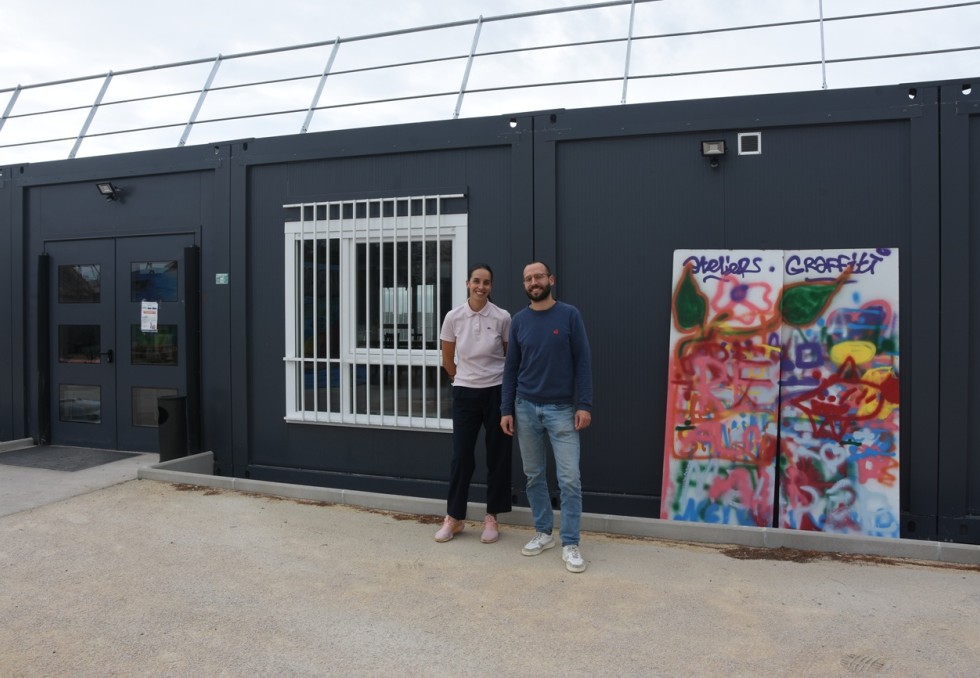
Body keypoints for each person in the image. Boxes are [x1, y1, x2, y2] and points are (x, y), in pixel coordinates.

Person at [500, 261, 593, 573]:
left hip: (562, 410)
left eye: (538, 276)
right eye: (528, 278)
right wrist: (506, 409)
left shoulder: (569, 315)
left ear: (550, 279)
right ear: (524, 285)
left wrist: (584, 404)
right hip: (525, 407)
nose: (533, 282)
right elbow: (511, 368)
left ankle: (570, 542)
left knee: (569, 479)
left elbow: (583, 362)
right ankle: (543, 533)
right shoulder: (519, 321)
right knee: (534, 475)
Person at [434, 263, 513, 544]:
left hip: (496, 393)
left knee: (498, 456)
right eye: (477, 281)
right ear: (468, 283)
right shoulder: (454, 317)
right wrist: (460, 379)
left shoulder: (503, 317)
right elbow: (447, 359)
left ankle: (492, 517)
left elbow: (508, 356)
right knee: (461, 457)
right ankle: (454, 518)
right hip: (465, 393)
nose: (481, 286)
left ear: (492, 286)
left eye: (487, 282)